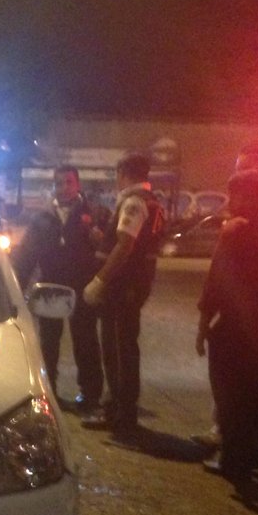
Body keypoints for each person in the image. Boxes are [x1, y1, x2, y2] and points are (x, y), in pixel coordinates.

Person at [80, 152, 166, 440]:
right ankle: (118, 408)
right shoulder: (152, 203)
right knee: (124, 347)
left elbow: (125, 246)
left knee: (118, 351)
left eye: (117, 174)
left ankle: (121, 413)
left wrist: (100, 280)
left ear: (124, 173)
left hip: (122, 289)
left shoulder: (133, 202)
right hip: (132, 287)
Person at [11, 165, 110, 411]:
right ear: (53, 186)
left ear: (77, 184)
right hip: (50, 288)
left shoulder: (96, 213)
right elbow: (25, 256)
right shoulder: (42, 217)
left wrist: (101, 283)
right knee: (48, 344)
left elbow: (110, 250)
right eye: (59, 183)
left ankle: (90, 395)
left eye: (68, 182)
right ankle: (48, 392)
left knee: (85, 342)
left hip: (82, 288)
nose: (64, 187)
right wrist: (15, 290)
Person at [195, 171, 258, 498]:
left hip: (234, 329)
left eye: (234, 194)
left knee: (229, 396)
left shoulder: (235, 231)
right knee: (254, 397)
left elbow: (217, 283)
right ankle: (252, 458)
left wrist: (203, 323)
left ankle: (233, 461)